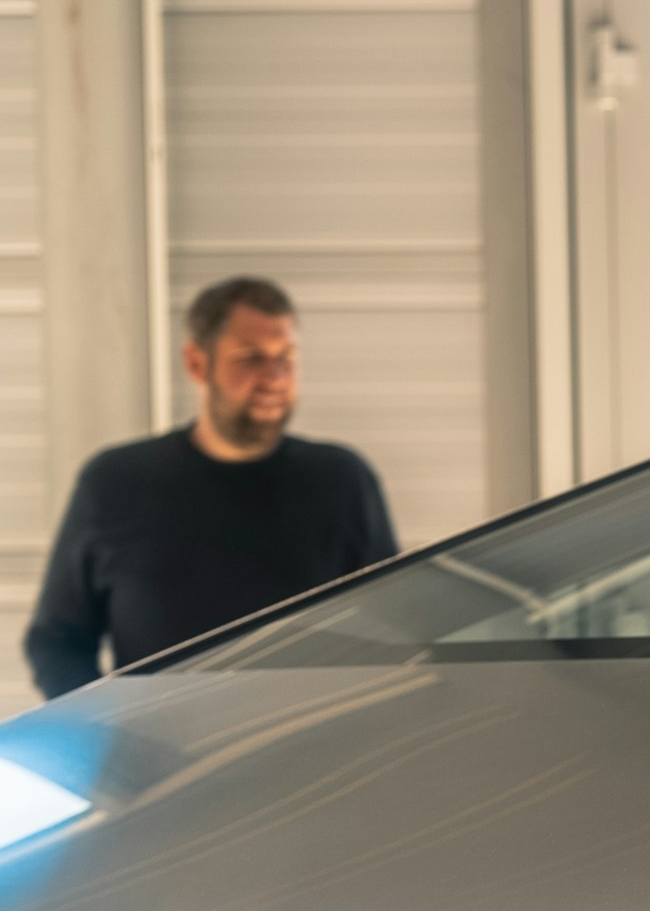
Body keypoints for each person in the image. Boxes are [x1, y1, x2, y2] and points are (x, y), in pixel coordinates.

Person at [22, 277, 400, 696]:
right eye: (251, 358)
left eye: (287, 358)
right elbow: (56, 642)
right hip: (157, 738)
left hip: (314, 734)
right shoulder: (115, 483)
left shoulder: (342, 481)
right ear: (197, 364)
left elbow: (398, 627)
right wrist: (105, 724)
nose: (275, 377)